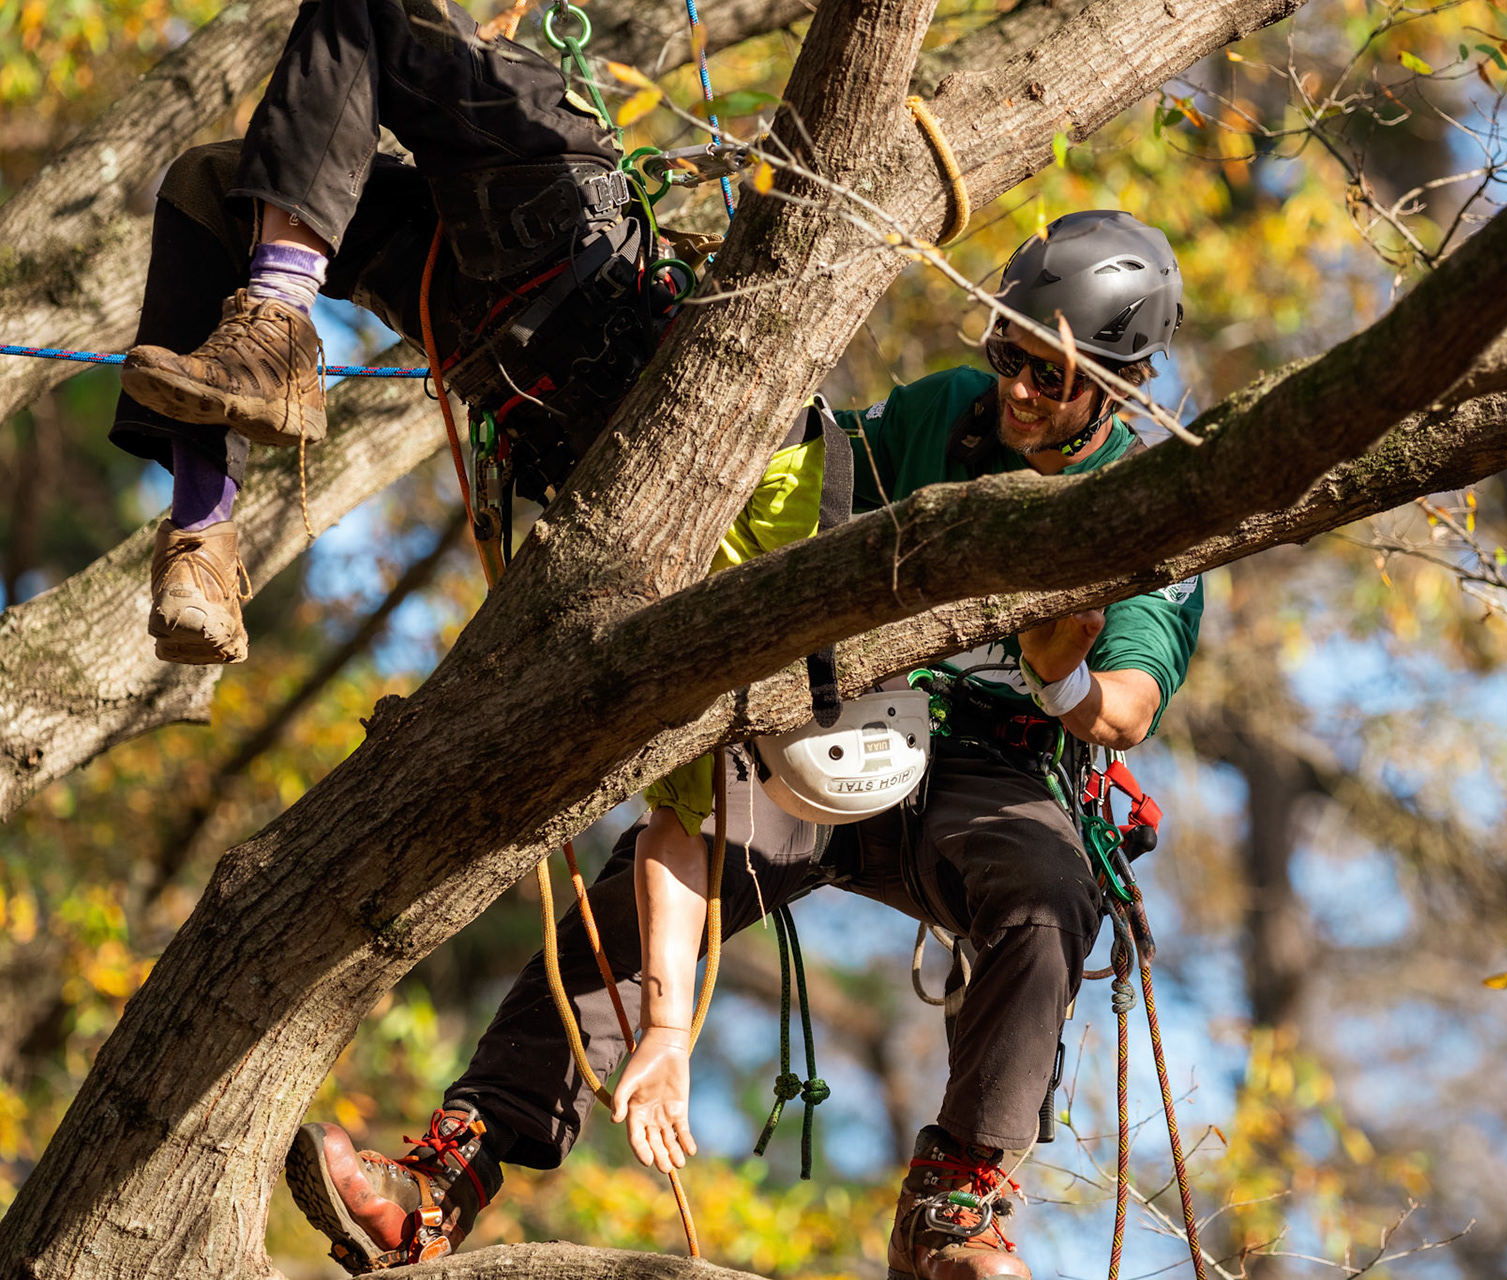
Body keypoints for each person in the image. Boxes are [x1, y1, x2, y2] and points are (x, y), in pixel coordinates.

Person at [286, 210, 1203, 1280]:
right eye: (1008, 353)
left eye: (1051, 374)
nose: (1018, 389)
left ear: (1123, 382)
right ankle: (447, 1176)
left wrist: (1059, 671)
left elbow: (1124, 707)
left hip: (994, 770)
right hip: (844, 717)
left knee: (1045, 895)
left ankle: (957, 1205)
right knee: (644, 885)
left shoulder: (1152, 506)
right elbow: (803, 483)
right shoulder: (943, 417)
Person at [115, 0, 684, 665]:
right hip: (504, 299)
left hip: (566, 229)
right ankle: (201, 551)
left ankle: (275, 325)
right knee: (208, 185)